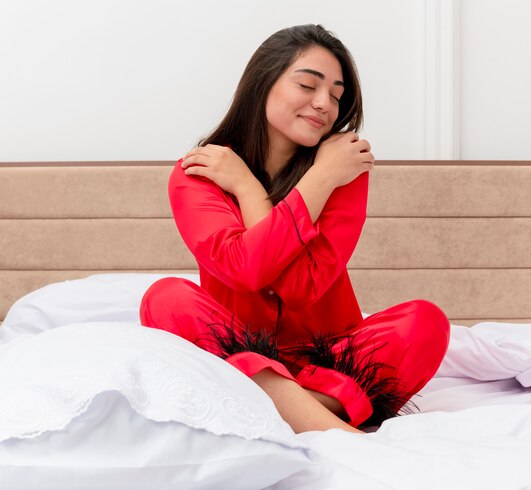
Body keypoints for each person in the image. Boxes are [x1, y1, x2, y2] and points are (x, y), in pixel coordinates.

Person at [140, 24, 450, 434]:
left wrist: (314, 179)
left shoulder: (344, 169)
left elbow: (302, 285)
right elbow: (245, 271)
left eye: (337, 96)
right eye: (308, 85)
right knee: (165, 298)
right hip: (235, 348)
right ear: (263, 83)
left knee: (426, 322)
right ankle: (332, 425)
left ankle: (271, 409)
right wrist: (257, 187)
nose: (324, 104)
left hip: (328, 359)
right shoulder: (199, 173)